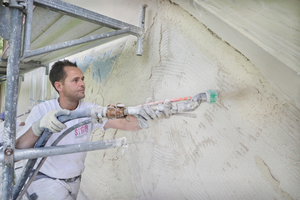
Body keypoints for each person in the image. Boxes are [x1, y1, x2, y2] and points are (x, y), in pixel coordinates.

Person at [16, 60, 170, 200]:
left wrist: (150, 118)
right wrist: (38, 127)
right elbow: (19, 148)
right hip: (45, 180)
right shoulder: (42, 110)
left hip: (74, 180)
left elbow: (124, 123)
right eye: (75, 80)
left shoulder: (90, 110)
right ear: (59, 86)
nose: (82, 83)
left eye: (82, 79)